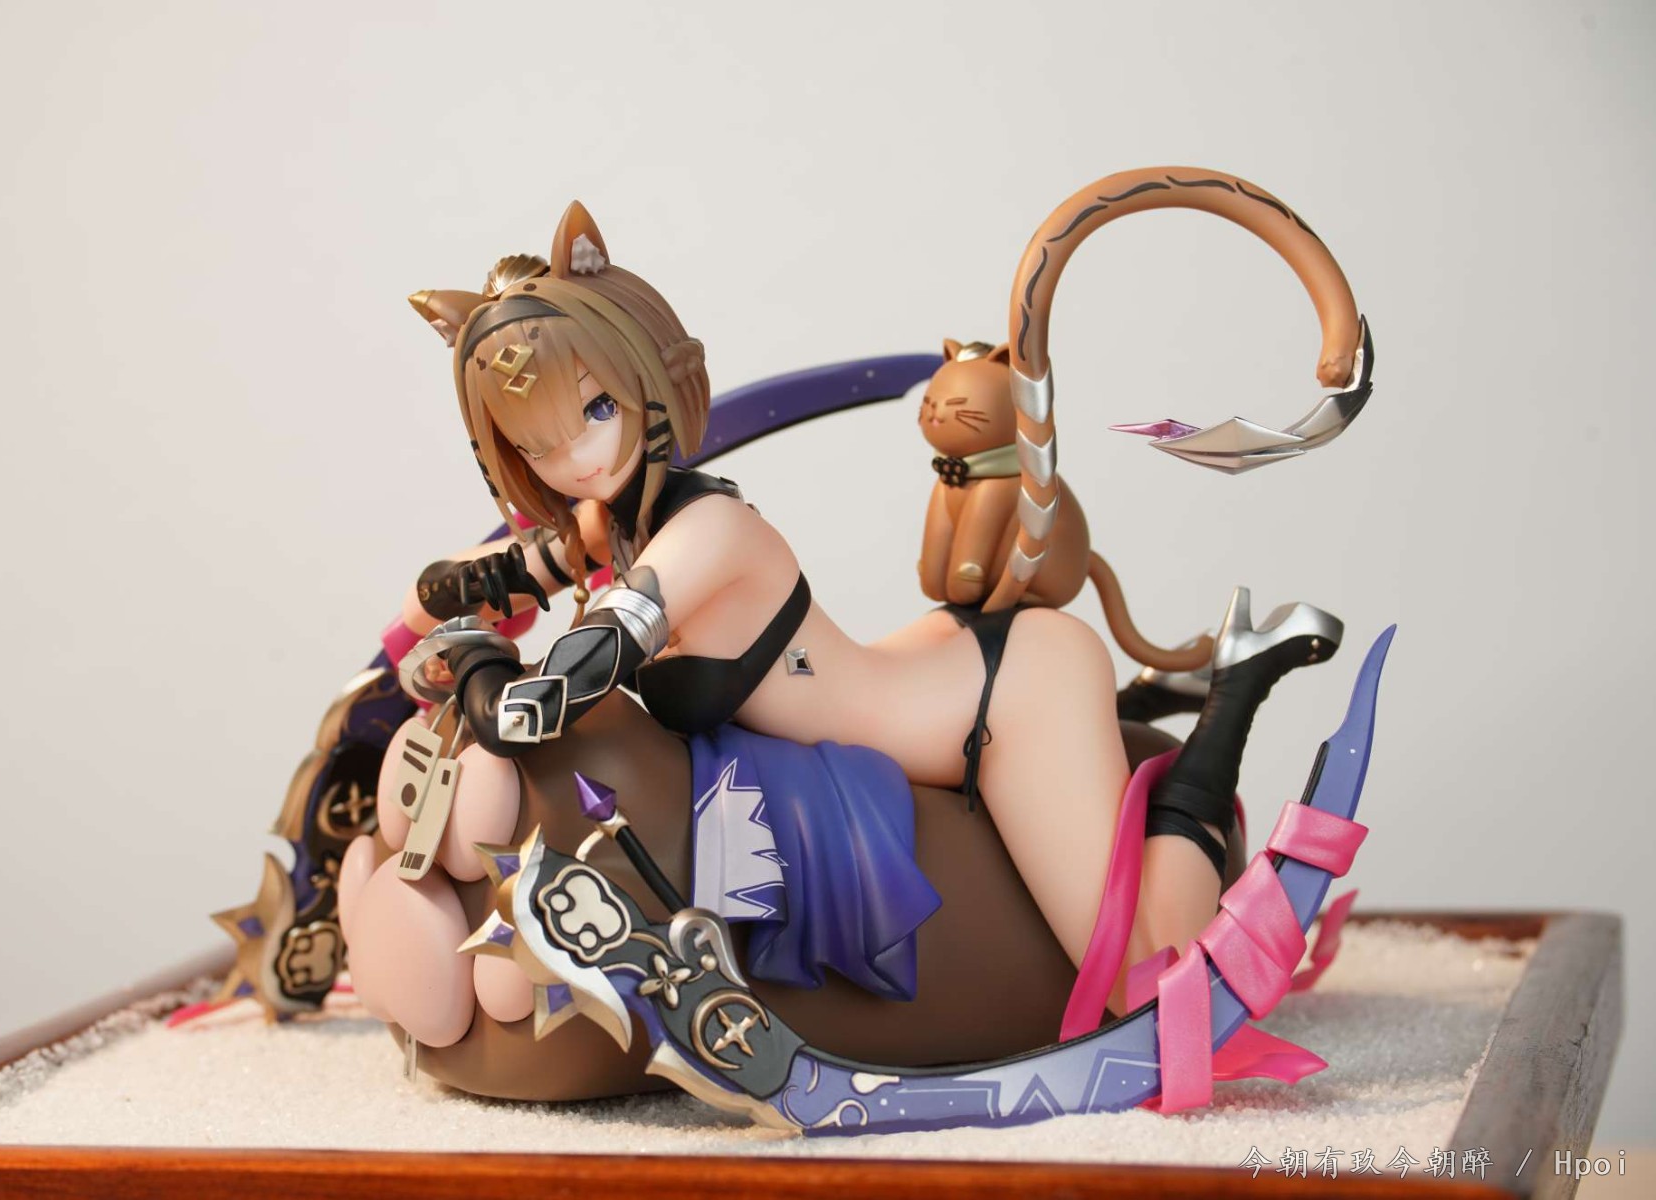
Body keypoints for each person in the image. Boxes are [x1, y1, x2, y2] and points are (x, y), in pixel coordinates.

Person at [339, 202, 1337, 1049]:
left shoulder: (711, 532)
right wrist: (430, 614)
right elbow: (502, 573)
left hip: (995, 703)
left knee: (1146, 984)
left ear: (643, 377)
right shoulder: (610, 521)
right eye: (536, 445)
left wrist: (490, 674)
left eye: (594, 411)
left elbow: (583, 666)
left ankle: (1235, 687)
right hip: (916, 665)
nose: (575, 460)